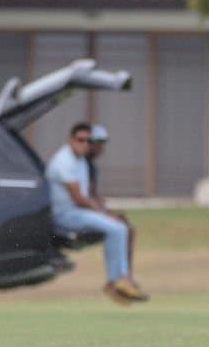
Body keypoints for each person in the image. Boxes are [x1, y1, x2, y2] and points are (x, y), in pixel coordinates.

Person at [46, 122, 147, 304]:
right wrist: (105, 214)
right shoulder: (64, 161)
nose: (85, 144)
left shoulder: (81, 160)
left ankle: (121, 280)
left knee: (120, 227)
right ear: (71, 139)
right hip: (64, 215)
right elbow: (79, 198)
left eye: (89, 141)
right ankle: (117, 281)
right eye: (80, 140)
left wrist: (106, 212)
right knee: (117, 229)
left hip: (77, 212)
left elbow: (90, 195)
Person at [83, 124, 138, 276]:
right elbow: (83, 196)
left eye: (103, 143)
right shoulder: (80, 164)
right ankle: (121, 276)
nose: (101, 147)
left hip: (90, 209)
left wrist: (101, 204)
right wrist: (103, 210)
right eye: (97, 142)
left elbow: (92, 192)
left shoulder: (90, 166)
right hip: (81, 212)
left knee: (125, 224)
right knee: (123, 228)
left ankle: (124, 274)